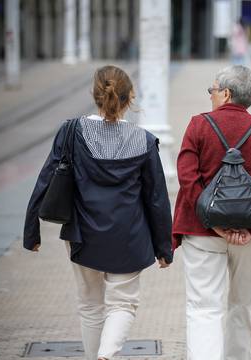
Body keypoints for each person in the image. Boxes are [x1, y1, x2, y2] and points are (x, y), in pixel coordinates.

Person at [24, 65, 173, 360]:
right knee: (123, 304)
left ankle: (97, 356)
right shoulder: (144, 141)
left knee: (90, 305)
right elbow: (156, 199)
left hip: (83, 233)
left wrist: (32, 232)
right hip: (129, 237)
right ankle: (107, 354)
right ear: (130, 98)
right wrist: (163, 248)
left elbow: (46, 178)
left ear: (94, 95)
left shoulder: (70, 131)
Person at [173, 65, 251, 360]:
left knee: (203, 307)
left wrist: (213, 222)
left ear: (225, 93)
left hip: (201, 233)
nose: (210, 95)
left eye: (212, 90)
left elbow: (187, 177)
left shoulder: (198, 125)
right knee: (244, 304)